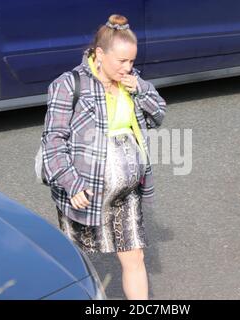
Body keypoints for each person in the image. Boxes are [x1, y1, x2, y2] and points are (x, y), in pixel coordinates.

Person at [41, 14, 166, 300]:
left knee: (135, 260)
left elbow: (159, 113)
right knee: (78, 265)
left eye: (132, 61)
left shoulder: (131, 83)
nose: (128, 68)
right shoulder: (69, 85)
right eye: (122, 61)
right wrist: (71, 184)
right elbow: (53, 140)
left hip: (127, 193)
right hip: (85, 192)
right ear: (99, 54)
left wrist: (141, 89)